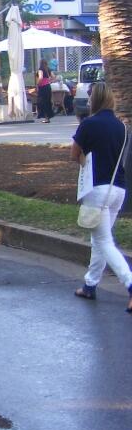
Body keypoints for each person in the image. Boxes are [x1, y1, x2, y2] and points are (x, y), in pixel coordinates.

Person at [70, 83, 132, 313]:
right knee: (100, 239)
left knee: (104, 241)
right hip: (119, 189)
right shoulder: (122, 127)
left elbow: (74, 154)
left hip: (98, 189)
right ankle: (90, 284)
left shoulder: (88, 124)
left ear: (93, 100)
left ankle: (130, 283)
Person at [36, 59, 54, 123]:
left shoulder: (40, 69)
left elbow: (40, 77)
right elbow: (53, 76)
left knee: (42, 102)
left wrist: (37, 83)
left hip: (42, 87)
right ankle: (48, 118)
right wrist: (49, 81)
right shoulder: (48, 69)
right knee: (48, 102)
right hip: (48, 87)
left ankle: (45, 117)